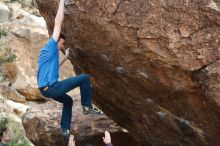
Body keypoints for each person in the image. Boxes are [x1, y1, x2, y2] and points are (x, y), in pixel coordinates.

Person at [37, 0, 103, 139]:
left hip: (45, 90)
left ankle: (65, 129)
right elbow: (57, 23)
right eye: (61, 42)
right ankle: (87, 106)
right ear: (56, 40)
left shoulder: (46, 54)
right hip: (53, 88)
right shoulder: (51, 46)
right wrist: (61, 2)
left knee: (68, 101)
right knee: (84, 78)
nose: (62, 44)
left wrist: (65, 57)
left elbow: (55, 67)